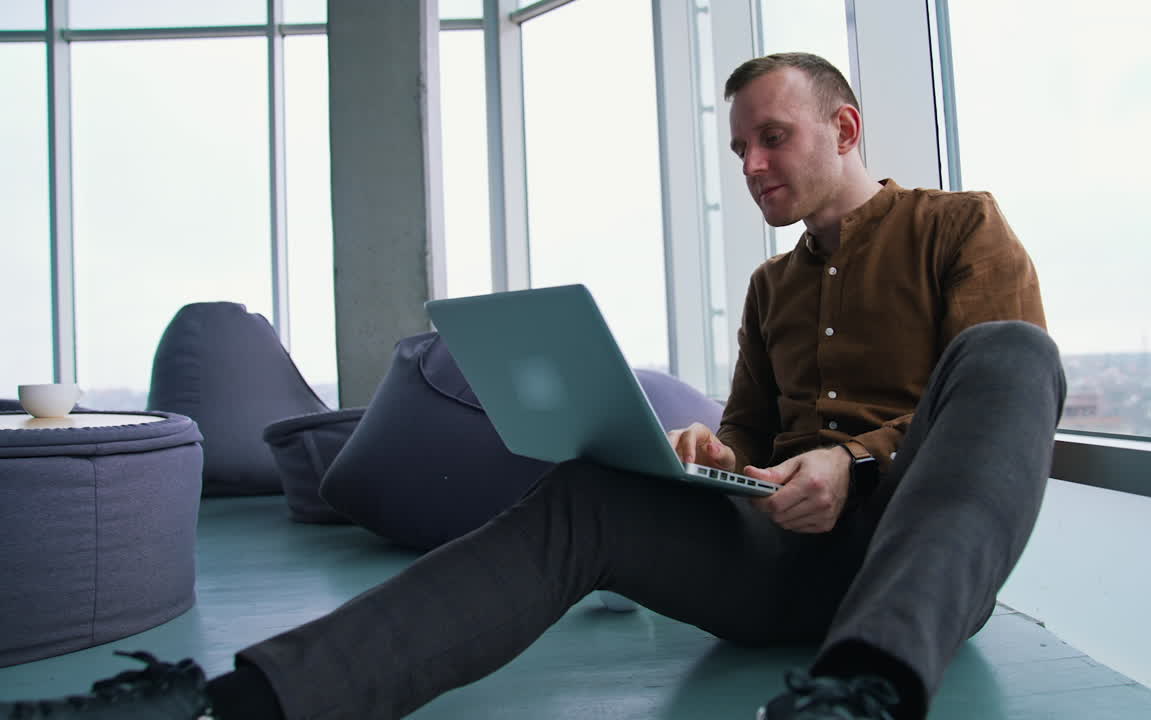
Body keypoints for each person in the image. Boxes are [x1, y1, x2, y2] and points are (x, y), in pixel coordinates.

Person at [2, 52, 1065, 720]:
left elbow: (993, 417)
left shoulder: (956, 225)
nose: (748, 165)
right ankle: (230, 702)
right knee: (588, 498)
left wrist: (857, 460)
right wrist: (714, 461)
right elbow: (744, 435)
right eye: (736, 147)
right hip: (782, 567)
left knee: (1013, 354)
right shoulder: (768, 288)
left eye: (770, 138)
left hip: (917, 569)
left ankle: (862, 694)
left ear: (842, 129)